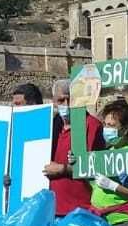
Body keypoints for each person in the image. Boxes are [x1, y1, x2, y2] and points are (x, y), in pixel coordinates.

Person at [42, 77, 103, 215]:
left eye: (70, 99)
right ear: (54, 102)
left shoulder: (92, 125)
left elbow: (98, 166)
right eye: (61, 100)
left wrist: (63, 169)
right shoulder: (49, 127)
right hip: (51, 210)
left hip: (81, 209)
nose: (67, 104)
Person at [89, 99, 128, 226]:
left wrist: (112, 186)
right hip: (100, 220)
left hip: (121, 221)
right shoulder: (107, 151)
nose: (106, 129)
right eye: (105, 124)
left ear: (125, 129)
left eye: (111, 125)